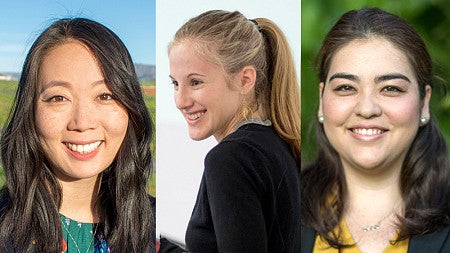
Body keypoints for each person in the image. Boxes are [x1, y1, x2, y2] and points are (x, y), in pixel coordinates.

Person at [301, 7, 450, 253]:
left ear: (424, 103)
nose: (367, 109)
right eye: (346, 88)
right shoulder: (278, 211)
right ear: (321, 98)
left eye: (391, 88)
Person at [0, 18, 155, 252]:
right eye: (58, 98)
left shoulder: (156, 224)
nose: (82, 123)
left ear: (130, 110)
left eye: (105, 96)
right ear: (30, 112)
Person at [161, 10, 301, 252]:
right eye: (175, 83)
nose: (181, 101)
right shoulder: (283, 144)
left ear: (245, 80)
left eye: (195, 82)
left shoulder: (231, 159)